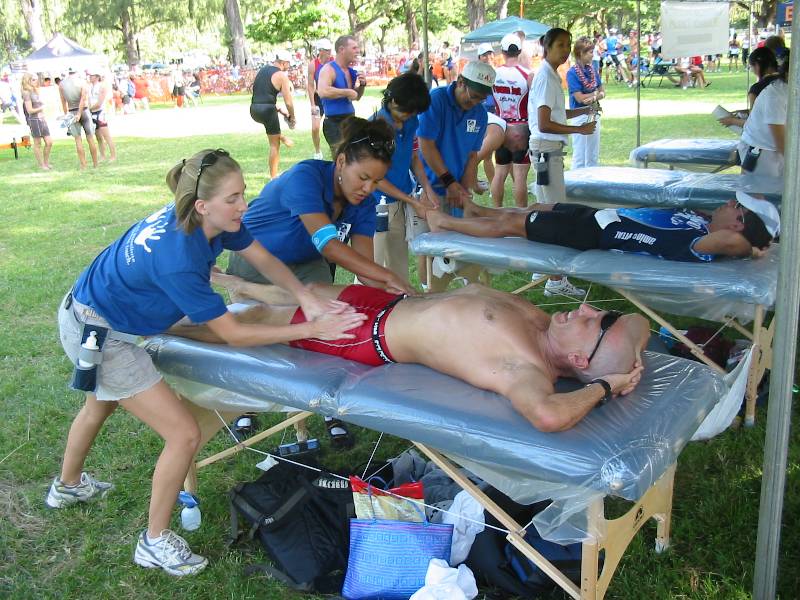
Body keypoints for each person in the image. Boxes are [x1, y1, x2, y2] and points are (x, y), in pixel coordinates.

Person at [46, 149, 365, 576]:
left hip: (91, 312)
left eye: (243, 193)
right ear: (202, 205)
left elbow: (262, 257)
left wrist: (304, 296)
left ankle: (67, 487)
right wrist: (312, 328)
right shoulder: (179, 257)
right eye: (233, 198)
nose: (244, 205)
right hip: (99, 331)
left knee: (99, 405)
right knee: (184, 434)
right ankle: (154, 542)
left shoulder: (211, 220)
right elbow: (233, 335)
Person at [175, 276, 650, 433]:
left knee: (260, 320)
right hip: (389, 303)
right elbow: (637, 323)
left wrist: (606, 386)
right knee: (301, 289)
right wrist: (634, 357)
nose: (585, 308)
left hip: (368, 335)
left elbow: (547, 415)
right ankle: (239, 284)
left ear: (581, 362)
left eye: (594, 321)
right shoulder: (545, 325)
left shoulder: (526, 369)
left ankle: (158, 328)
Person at [226, 116, 413, 295]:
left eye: (376, 181)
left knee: (331, 307)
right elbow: (328, 245)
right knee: (281, 309)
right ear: (341, 162)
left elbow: (365, 269)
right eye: (363, 177)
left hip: (306, 262)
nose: (368, 189)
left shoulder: (365, 204)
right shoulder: (305, 177)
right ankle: (240, 287)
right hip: (256, 257)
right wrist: (388, 276)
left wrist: (400, 293)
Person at [423, 195, 779, 263]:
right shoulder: (702, 220)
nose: (729, 203)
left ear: (737, 225)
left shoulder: (702, 243)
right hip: (601, 217)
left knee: (511, 225)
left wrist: (755, 247)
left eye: (737, 207)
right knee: (534, 208)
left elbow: (734, 243)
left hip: (594, 234)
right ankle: (479, 210)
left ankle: (445, 222)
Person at [417, 60, 495, 290]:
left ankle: (464, 290)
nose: (476, 102)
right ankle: (429, 292)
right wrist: (449, 182)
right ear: (460, 82)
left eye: (482, 98)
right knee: (431, 247)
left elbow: (472, 155)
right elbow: (426, 144)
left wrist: (463, 189)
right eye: (473, 96)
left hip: (455, 188)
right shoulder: (436, 100)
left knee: (461, 243)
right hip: (430, 187)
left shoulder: (480, 114)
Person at [528, 28, 595, 297]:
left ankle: (542, 267)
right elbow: (544, 123)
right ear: (547, 48)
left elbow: (556, 114)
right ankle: (555, 280)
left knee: (547, 208)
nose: (565, 50)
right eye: (560, 45)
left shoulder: (551, 75)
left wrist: (584, 110)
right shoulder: (546, 77)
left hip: (546, 150)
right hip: (546, 150)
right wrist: (579, 130)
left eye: (568, 45)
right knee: (555, 212)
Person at [370, 73, 437, 280]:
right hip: (375, 205)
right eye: (406, 111)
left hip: (400, 202)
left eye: (414, 112)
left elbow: (414, 157)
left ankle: (400, 297)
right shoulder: (376, 128)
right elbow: (376, 179)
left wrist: (428, 189)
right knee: (371, 267)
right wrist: (412, 201)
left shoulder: (411, 121)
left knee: (398, 266)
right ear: (392, 101)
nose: (410, 116)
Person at [490, 33, 533, 208]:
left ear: (502, 51)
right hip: (521, 127)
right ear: (520, 51)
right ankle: (521, 214)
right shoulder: (528, 74)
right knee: (520, 176)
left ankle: (496, 210)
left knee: (499, 172)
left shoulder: (494, 74)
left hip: (500, 127)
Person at [737, 49, 789, 178]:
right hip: (759, 150)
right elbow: (780, 141)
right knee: (760, 188)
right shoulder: (776, 94)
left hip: (774, 148)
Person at [250, 50, 297, 179]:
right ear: (283, 63)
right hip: (267, 111)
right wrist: (292, 117)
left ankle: (282, 137)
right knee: (274, 145)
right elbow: (288, 102)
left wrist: (281, 111)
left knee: (273, 133)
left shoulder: (262, 70)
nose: (289, 66)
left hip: (254, 110)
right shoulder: (281, 75)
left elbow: (262, 96)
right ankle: (273, 178)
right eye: (288, 63)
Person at [318, 35, 366, 155]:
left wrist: (362, 85)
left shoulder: (350, 71)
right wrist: (347, 92)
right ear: (341, 49)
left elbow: (356, 97)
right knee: (341, 157)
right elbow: (323, 91)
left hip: (350, 120)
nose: (358, 51)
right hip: (334, 123)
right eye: (354, 48)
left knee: (354, 156)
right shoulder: (329, 69)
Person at [567, 36, 604, 170]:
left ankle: (592, 179)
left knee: (593, 154)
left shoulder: (592, 70)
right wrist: (596, 94)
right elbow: (579, 98)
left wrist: (594, 96)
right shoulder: (572, 73)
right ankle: (576, 180)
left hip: (594, 113)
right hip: (579, 115)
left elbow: (603, 92)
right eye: (590, 52)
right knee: (580, 155)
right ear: (581, 53)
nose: (592, 55)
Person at [59, 68, 99, 169]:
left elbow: (63, 101)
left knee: (78, 139)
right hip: (84, 111)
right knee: (90, 138)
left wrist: (66, 115)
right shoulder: (82, 82)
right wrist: (80, 113)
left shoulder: (62, 84)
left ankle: (83, 165)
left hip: (72, 111)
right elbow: (83, 99)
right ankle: (95, 164)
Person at [20, 73, 53, 170]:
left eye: (36, 79)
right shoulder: (26, 92)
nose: (36, 81)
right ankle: (42, 165)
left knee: (49, 142)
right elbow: (30, 110)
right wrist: (42, 108)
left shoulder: (35, 90)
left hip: (42, 118)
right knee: (37, 143)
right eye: (33, 79)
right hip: (34, 120)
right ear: (28, 80)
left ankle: (46, 163)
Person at [307, 39, 333, 160]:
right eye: (327, 51)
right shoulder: (313, 64)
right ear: (321, 51)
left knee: (333, 126)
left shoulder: (333, 62)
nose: (329, 53)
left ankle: (335, 148)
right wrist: (312, 104)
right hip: (318, 99)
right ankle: (317, 152)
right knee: (315, 127)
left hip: (331, 98)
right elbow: (310, 85)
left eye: (330, 51)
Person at [88, 71, 117, 162]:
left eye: (92, 75)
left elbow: (99, 103)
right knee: (98, 137)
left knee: (106, 136)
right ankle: (102, 156)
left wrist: (89, 109)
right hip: (92, 113)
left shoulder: (101, 86)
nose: (90, 77)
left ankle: (113, 156)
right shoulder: (90, 87)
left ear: (97, 77)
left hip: (100, 113)